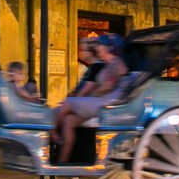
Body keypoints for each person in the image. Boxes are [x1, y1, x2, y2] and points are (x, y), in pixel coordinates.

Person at [53, 34, 129, 164]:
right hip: (99, 100)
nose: (97, 48)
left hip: (105, 102)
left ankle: (51, 132)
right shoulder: (108, 64)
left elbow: (108, 86)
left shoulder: (116, 64)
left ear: (108, 48)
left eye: (100, 45)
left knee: (67, 103)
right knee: (68, 121)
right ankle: (63, 161)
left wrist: (91, 96)